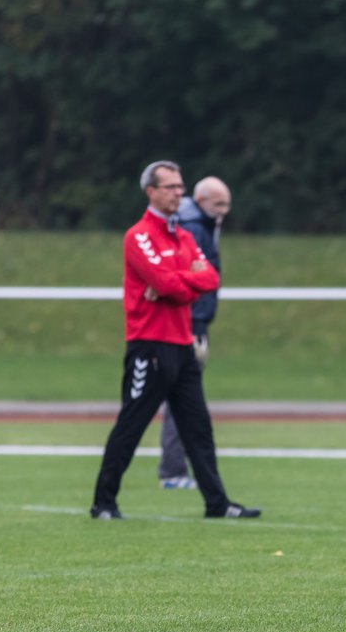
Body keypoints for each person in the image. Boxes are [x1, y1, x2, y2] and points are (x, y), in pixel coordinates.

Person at [89, 160, 261, 521]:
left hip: (182, 346)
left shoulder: (183, 237)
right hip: (149, 347)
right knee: (131, 426)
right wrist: (182, 281)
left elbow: (208, 279)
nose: (178, 193)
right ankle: (104, 502)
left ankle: (217, 503)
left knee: (198, 428)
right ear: (151, 191)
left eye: (180, 187)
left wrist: (175, 283)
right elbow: (172, 285)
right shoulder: (138, 236)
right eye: (170, 187)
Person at [157, 176, 231, 489]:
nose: (224, 211)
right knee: (181, 399)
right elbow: (191, 279)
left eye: (227, 204)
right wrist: (194, 324)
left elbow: (206, 278)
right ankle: (173, 471)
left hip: (191, 323)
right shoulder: (194, 228)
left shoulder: (198, 224)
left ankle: (177, 471)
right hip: (187, 326)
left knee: (178, 399)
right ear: (200, 201)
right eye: (218, 204)